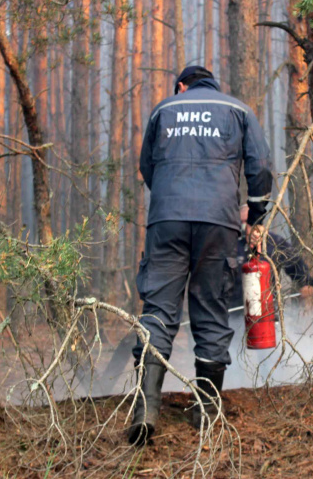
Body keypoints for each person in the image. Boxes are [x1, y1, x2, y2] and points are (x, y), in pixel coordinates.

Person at [127, 66, 272, 445]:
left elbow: (147, 167)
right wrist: (256, 215)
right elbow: (260, 168)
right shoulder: (237, 110)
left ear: (181, 86)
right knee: (210, 309)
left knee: (158, 309)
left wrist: (172, 197)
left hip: (167, 220)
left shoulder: (163, 110)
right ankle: (206, 410)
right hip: (218, 223)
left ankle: (146, 411)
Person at [232, 205, 313, 311]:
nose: (245, 226)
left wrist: (306, 283)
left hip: (268, 309)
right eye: (242, 222)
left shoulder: (273, 242)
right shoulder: (230, 244)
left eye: (248, 221)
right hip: (236, 309)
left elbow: (294, 260)